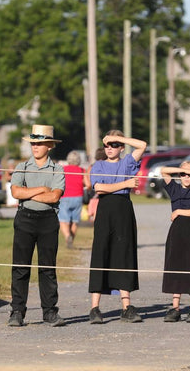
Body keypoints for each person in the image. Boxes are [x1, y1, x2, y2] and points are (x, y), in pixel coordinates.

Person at [8, 124, 66, 327]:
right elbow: (16, 193)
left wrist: (29, 191)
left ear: (49, 146)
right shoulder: (22, 167)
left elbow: (54, 196)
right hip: (25, 219)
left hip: (48, 221)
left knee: (47, 267)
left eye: (39, 143)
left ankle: (50, 311)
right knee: (20, 267)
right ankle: (17, 311)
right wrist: (41, 188)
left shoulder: (57, 169)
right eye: (33, 143)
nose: (35, 147)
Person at [87, 130, 147, 324]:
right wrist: (126, 182)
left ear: (121, 147)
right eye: (107, 145)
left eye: (114, 145)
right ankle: (95, 308)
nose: (110, 148)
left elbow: (142, 145)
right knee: (101, 252)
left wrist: (118, 138)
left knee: (123, 254)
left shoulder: (127, 162)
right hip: (105, 209)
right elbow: (99, 188)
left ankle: (126, 306)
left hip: (123, 209)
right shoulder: (99, 165)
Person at [159, 161, 190, 323]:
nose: (187, 177)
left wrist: (179, 211)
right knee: (175, 267)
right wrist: (182, 169)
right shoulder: (175, 189)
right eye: (183, 175)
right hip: (176, 233)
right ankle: (175, 307)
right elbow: (164, 170)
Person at [59, 151, 87, 249]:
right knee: (75, 221)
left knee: (63, 220)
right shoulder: (82, 170)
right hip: (78, 197)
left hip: (65, 197)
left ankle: (67, 236)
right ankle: (71, 240)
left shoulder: (63, 169)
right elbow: (88, 185)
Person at [86, 147, 106, 222]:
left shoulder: (91, 167)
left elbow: (87, 180)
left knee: (94, 212)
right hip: (104, 192)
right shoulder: (107, 166)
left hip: (93, 192)